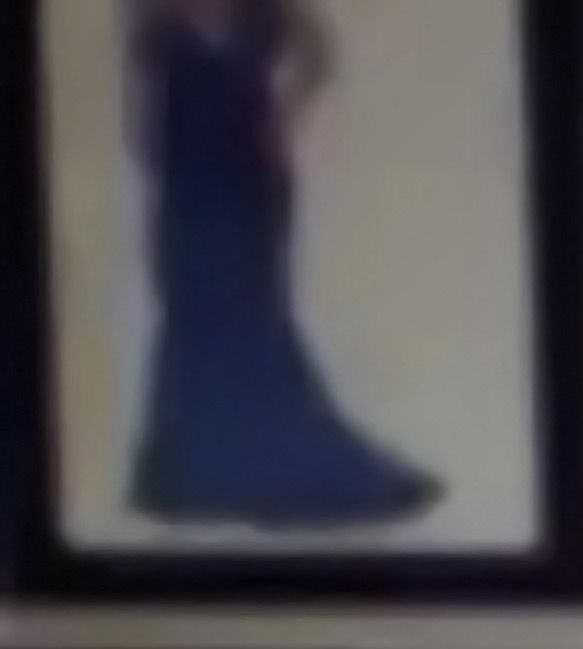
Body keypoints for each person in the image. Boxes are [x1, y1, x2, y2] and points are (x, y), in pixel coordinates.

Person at [117, 0, 438, 537]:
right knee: (192, 317)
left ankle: (268, 465)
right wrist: (151, 167)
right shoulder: (152, 12)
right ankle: (194, 472)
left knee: (256, 315)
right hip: (186, 186)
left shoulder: (264, 10)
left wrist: (286, 115)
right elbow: (138, 101)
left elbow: (317, 53)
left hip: (250, 179)